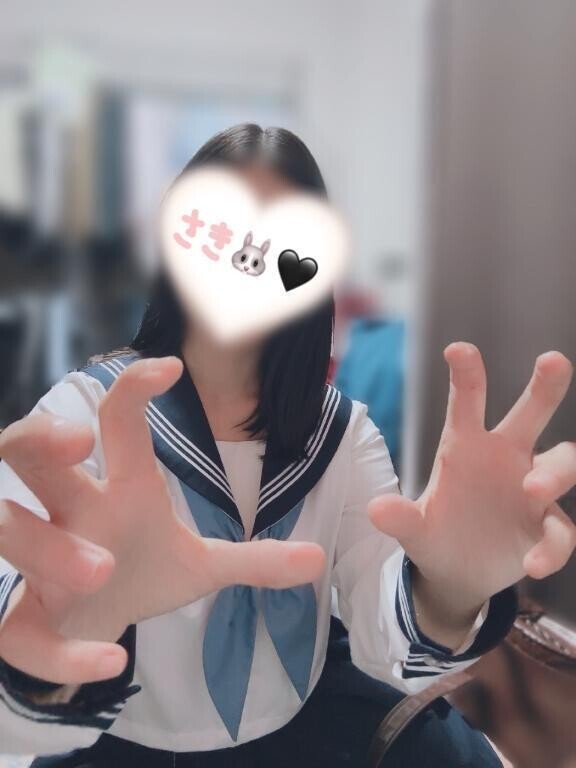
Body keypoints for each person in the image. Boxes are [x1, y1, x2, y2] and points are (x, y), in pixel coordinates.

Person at [0, 124, 574, 767]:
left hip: (302, 728)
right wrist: (52, 642)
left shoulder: (343, 434)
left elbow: (382, 624)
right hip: (118, 740)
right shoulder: (92, 413)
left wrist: (450, 589)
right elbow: (18, 601)